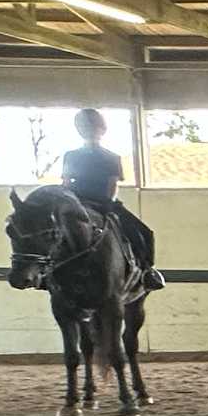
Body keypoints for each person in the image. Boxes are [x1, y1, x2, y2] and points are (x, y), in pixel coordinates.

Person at [59, 108, 164, 290]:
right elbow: (66, 184)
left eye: (93, 126)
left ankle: (148, 271)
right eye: (84, 126)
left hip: (102, 201)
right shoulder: (71, 156)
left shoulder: (111, 158)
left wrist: (106, 203)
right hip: (77, 202)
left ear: (102, 129)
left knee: (144, 232)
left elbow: (112, 185)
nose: (89, 130)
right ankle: (46, 270)